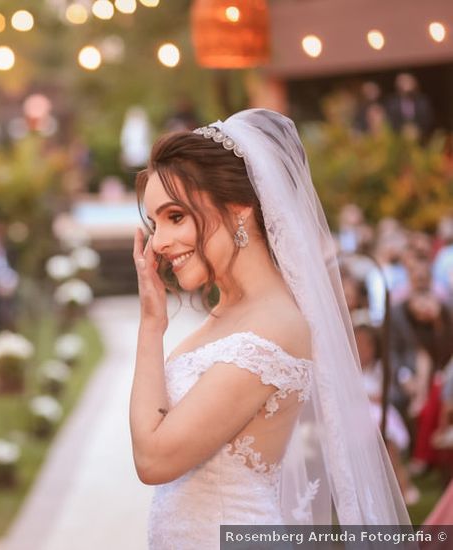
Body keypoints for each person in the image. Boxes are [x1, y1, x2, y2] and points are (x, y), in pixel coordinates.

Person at [130, 109, 409, 548]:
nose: (158, 243)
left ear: (238, 211)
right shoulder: (228, 316)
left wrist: (151, 327)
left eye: (175, 217)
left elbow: (154, 459)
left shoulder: (273, 328)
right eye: (155, 223)